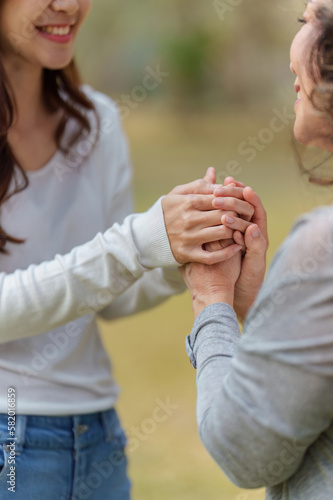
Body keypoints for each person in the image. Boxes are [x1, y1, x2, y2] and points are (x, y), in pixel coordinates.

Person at [0, 1, 264, 499]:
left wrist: (183, 252)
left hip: (97, 435)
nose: (68, 5)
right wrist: (141, 241)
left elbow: (115, 296)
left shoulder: (96, 121)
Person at [182, 1, 333, 498]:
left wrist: (212, 301)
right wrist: (264, 308)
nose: (301, 34)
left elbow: (243, 450)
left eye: (311, 19)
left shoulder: (324, 246)